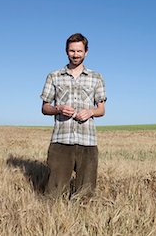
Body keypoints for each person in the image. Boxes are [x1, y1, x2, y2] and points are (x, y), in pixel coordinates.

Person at [40, 33, 106, 198]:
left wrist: (90, 111)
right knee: (53, 193)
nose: (75, 55)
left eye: (79, 51)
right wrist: (59, 109)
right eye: (72, 51)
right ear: (66, 51)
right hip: (61, 140)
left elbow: (101, 110)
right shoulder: (54, 76)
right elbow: (45, 108)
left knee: (86, 194)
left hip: (87, 141)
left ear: (86, 52)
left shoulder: (96, 78)